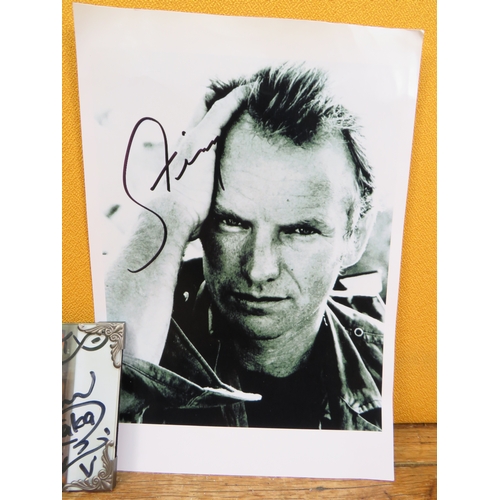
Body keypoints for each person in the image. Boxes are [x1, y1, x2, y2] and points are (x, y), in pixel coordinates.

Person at [107, 64, 384, 430]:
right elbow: (81, 441)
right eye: (232, 222)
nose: (258, 269)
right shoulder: (143, 322)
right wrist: (170, 213)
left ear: (356, 235)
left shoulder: (392, 366)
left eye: (300, 230)